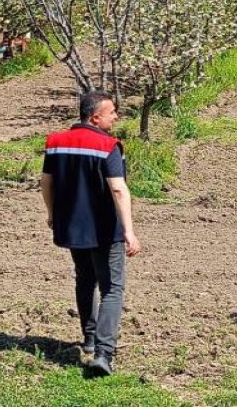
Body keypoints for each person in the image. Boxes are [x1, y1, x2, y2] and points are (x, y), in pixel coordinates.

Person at [40, 91, 142, 377]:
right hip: (104, 230)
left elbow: (46, 182)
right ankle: (104, 354)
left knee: (85, 280)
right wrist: (129, 231)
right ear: (95, 117)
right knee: (112, 288)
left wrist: (52, 213)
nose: (116, 117)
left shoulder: (55, 143)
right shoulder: (108, 146)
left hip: (73, 227)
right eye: (112, 112)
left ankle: (89, 338)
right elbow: (118, 189)